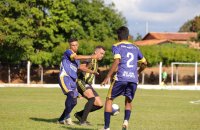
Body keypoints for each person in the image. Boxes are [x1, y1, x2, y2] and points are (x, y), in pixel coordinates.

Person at [101, 26, 147, 130]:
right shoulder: (135, 47)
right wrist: (137, 72)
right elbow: (144, 63)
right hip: (133, 79)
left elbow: (117, 61)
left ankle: (106, 128)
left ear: (118, 36)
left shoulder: (116, 46)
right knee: (128, 101)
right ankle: (126, 121)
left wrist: (107, 76)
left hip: (121, 77)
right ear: (128, 36)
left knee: (109, 99)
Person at [57, 38, 101, 125]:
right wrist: (91, 56)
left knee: (74, 102)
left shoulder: (76, 60)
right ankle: (67, 117)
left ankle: (61, 119)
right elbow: (76, 56)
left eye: (76, 45)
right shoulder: (68, 52)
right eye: (73, 45)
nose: (75, 47)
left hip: (73, 80)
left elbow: (80, 68)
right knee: (70, 95)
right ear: (70, 46)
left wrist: (92, 71)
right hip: (65, 77)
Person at [74, 46, 106, 125]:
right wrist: (92, 72)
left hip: (87, 84)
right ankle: (82, 121)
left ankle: (79, 115)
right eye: (101, 53)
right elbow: (81, 67)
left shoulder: (95, 61)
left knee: (99, 104)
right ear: (95, 52)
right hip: (81, 81)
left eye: (103, 54)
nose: (102, 55)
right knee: (91, 99)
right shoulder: (90, 58)